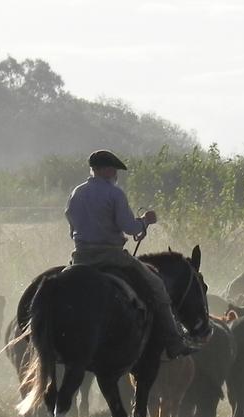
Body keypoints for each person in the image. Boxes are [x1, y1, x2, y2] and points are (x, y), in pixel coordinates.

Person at [65, 149, 199, 357]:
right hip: (111, 255)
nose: (116, 174)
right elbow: (130, 227)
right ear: (107, 170)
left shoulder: (77, 192)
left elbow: (71, 222)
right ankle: (174, 342)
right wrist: (146, 221)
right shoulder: (114, 193)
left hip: (80, 257)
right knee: (157, 286)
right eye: (114, 170)